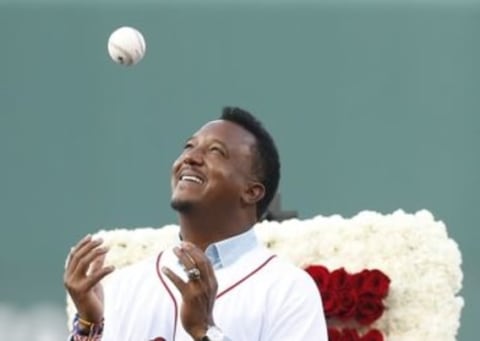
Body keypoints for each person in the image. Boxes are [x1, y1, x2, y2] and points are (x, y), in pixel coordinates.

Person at [64, 107, 328, 341]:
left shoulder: (288, 289)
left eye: (216, 151)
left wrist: (204, 332)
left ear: (251, 192)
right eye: (189, 146)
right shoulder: (124, 286)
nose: (190, 158)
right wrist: (89, 327)